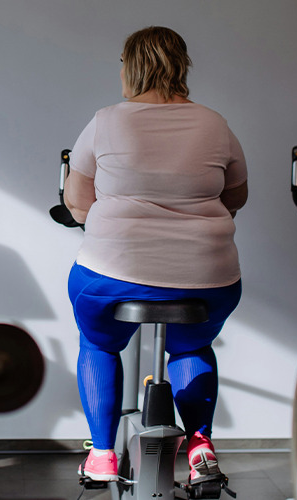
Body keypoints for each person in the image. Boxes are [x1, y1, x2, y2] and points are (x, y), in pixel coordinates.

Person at [64, 26, 248, 484]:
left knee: (100, 343)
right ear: (181, 65)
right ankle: (200, 444)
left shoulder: (106, 120)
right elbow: (236, 196)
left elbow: (76, 202)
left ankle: (103, 454)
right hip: (208, 277)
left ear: (130, 67)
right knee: (192, 344)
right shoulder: (215, 124)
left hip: (112, 275)